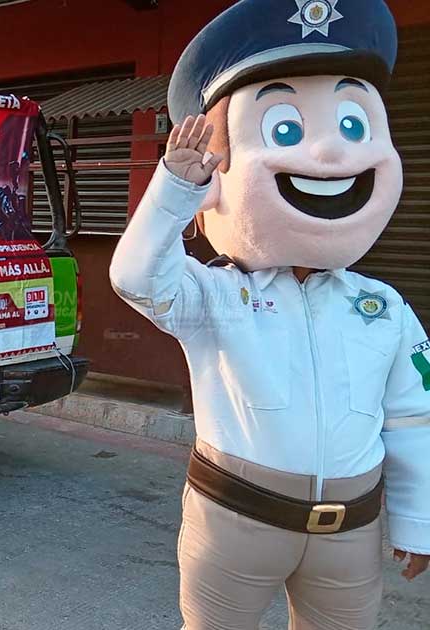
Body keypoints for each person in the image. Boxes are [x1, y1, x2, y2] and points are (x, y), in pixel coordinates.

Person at [110, 1, 429, 628]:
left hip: (350, 533)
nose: (328, 155)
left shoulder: (383, 308)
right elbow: (136, 277)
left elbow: (414, 416)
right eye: (284, 129)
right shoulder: (215, 296)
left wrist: (419, 519)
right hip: (235, 521)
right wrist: (176, 189)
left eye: (351, 125)